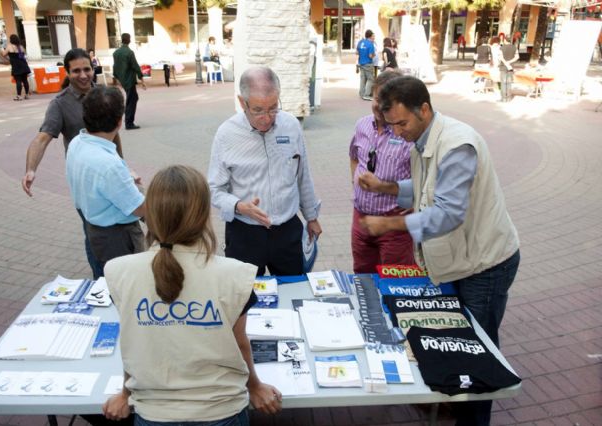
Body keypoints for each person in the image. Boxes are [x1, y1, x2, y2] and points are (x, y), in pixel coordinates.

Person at [359, 75, 520, 426]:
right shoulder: (423, 137)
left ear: (425, 109)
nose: (397, 132)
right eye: (391, 125)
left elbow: (447, 212)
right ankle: (457, 407)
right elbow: (424, 188)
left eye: (402, 123)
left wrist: (391, 225)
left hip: (485, 265)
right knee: (457, 343)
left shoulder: (457, 144)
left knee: (478, 353)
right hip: (461, 262)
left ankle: (473, 419)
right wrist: (386, 188)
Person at [102, 165, 282, 425]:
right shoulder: (234, 274)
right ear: (202, 216)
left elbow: (134, 342)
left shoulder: (119, 271)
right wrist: (255, 386)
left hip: (154, 413)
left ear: (150, 212)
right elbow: (240, 345)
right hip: (221, 411)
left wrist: (125, 393)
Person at [21, 48, 137, 279]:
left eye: (87, 69)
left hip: (109, 172)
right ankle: (100, 279)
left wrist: (123, 165)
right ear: (68, 72)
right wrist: (30, 170)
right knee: (93, 230)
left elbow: (114, 134)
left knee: (115, 226)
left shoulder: (103, 94)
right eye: (76, 71)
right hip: (86, 178)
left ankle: (118, 272)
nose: (83, 75)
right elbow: (42, 138)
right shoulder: (60, 104)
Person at [208, 66, 322, 276]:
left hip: (287, 232)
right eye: (258, 110)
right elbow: (214, 189)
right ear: (242, 102)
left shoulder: (291, 126)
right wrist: (239, 206)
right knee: (245, 300)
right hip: (245, 234)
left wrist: (311, 217)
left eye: (273, 108)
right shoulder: (226, 134)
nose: (267, 118)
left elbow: (302, 175)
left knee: (294, 292)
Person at [65, 86, 145, 270]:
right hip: (117, 237)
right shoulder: (108, 165)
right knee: (123, 285)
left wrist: (124, 179)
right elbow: (139, 208)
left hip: (95, 228)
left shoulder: (77, 142)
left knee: (104, 275)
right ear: (119, 121)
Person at [349, 70, 414, 273]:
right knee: (362, 277)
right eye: (377, 98)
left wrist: (415, 204)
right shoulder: (362, 125)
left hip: (393, 225)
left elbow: (424, 181)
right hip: (361, 220)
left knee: (396, 283)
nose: (380, 106)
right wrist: (355, 182)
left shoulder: (407, 134)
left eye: (387, 101)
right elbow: (353, 156)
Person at [113, 33, 145, 130]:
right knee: (131, 100)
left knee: (133, 98)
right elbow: (135, 65)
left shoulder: (116, 53)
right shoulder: (129, 52)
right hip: (129, 79)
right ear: (129, 40)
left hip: (123, 79)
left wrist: (117, 77)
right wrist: (141, 77)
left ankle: (128, 119)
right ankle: (129, 122)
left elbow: (115, 67)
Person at [2, 34, 30, 101]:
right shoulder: (21, 47)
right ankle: (27, 95)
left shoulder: (9, 46)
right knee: (25, 80)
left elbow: (3, 54)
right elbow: (24, 54)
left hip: (16, 66)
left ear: (11, 40)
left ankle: (19, 96)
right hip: (24, 65)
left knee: (18, 81)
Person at [356, 29, 376, 101]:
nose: (374, 38)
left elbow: (357, 52)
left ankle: (361, 93)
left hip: (361, 62)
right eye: (373, 36)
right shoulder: (370, 44)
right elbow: (370, 56)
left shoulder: (361, 42)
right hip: (368, 63)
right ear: (370, 36)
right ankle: (366, 95)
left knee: (362, 78)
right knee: (370, 79)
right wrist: (374, 54)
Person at [499, 36, 519, 102]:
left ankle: (504, 98)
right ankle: (509, 98)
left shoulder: (501, 48)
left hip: (503, 67)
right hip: (511, 67)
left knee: (503, 83)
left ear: (505, 40)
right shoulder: (514, 47)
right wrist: (509, 62)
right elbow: (517, 57)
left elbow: (500, 57)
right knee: (509, 83)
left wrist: (506, 63)